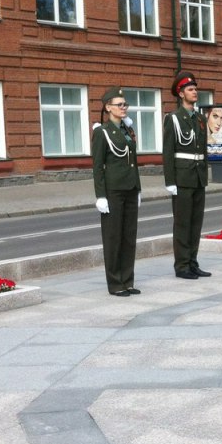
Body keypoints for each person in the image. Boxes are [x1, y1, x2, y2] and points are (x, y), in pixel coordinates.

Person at [92, 87, 142, 297]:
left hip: (130, 188)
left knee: (129, 237)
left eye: (125, 104)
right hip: (113, 190)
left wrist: (138, 189)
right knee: (113, 237)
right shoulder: (102, 132)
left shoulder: (127, 130)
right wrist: (100, 196)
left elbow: (133, 162)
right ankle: (115, 283)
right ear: (108, 108)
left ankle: (127, 280)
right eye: (119, 105)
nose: (124, 108)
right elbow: (98, 166)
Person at [163, 71, 211, 280]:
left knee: (195, 222)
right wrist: (170, 181)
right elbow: (168, 151)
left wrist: (204, 174)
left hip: (198, 176)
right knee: (182, 223)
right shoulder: (173, 119)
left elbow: (203, 149)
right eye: (190, 89)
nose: (195, 92)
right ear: (181, 94)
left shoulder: (200, 118)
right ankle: (182, 265)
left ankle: (193, 262)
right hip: (182, 178)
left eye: (195, 89)